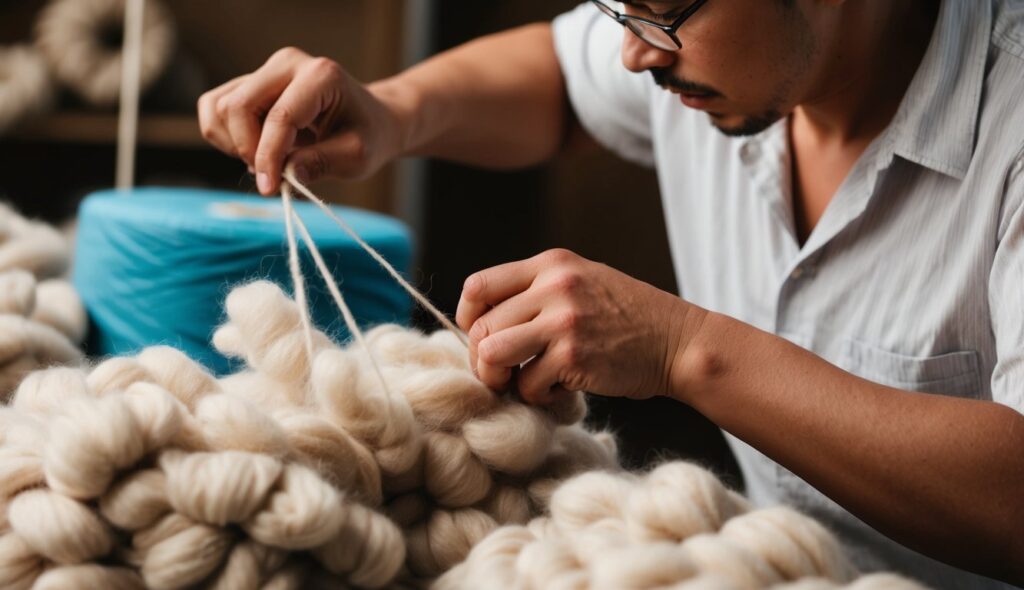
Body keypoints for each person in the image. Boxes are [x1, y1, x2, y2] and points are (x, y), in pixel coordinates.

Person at [197, 1, 1024, 587]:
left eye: (661, 13)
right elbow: (561, 76)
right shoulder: (701, 45)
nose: (633, 53)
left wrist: (680, 350)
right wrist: (396, 112)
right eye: (617, 8)